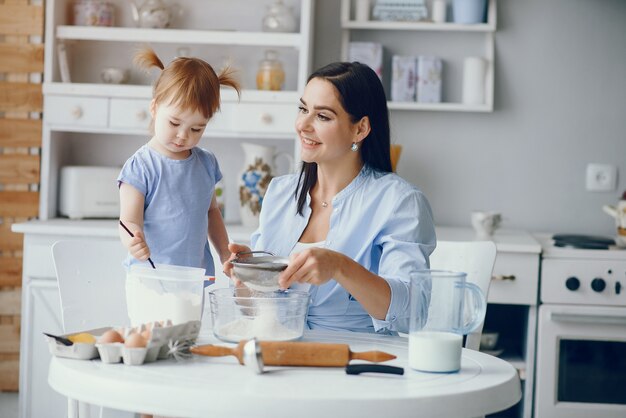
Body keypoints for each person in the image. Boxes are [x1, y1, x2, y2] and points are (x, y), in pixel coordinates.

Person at [225, 62, 436, 334]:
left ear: (360, 129)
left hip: (356, 361)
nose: (302, 124)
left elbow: (412, 314)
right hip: (282, 354)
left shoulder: (400, 202)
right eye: (303, 109)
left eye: (322, 116)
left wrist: (339, 266)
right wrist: (247, 278)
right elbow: (259, 311)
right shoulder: (280, 193)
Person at [118, 46, 240, 278]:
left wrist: (225, 253)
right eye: (174, 123)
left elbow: (212, 212)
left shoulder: (206, 163)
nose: (184, 135)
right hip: (151, 277)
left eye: (197, 128)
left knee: (191, 317)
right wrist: (132, 239)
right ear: (154, 108)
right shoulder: (142, 166)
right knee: (156, 318)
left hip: (194, 277)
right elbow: (128, 220)